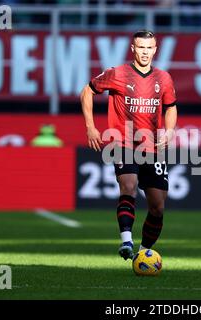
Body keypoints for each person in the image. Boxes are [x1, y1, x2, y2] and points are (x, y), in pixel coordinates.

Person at [80, 30, 177, 260]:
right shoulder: (117, 73)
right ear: (133, 49)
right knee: (129, 185)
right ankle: (126, 241)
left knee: (158, 206)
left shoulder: (163, 78)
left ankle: (143, 253)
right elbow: (87, 91)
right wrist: (90, 127)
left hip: (152, 148)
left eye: (149, 48)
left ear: (155, 49)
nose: (144, 52)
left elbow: (170, 106)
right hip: (122, 142)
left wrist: (170, 130)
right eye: (140, 48)